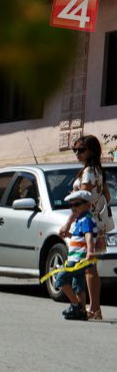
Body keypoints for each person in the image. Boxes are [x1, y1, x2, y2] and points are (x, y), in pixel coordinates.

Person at [60, 135, 112, 321]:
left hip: (87, 225)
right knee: (91, 268)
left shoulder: (89, 171)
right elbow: (108, 196)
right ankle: (90, 308)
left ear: (91, 151)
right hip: (97, 224)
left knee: (88, 269)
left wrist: (67, 223)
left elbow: (82, 200)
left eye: (81, 150)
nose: (77, 153)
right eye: (75, 150)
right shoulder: (98, 170)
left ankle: (93, 309)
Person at [57, 190, 97, 321]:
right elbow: (79, 237)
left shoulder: (86, 219)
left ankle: (76, 306)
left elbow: (88, 236)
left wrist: (90, 251)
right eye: (71, 205)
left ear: (87, 205)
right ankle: (82, 312)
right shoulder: (81, 219)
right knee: (78, 285)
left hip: (78, 260)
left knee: (61, 279)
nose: (73, 208)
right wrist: (68, 235)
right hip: (76, 257)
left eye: (77, 204)